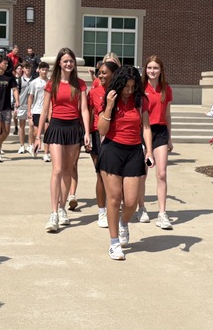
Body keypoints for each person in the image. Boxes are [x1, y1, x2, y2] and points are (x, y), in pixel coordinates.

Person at [97, 65, 154, 260]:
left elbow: (146, 127)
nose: (129, 91)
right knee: (114, 198)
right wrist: (109, 106)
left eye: (132, 87)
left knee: (130, 201)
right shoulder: (109, 97)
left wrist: (149, 151)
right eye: (126, 87)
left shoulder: (141, 100)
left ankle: (123, 222)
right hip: (112, 150)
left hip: (134, 151)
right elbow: (102, 130)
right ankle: (114, 243)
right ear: (119, 84)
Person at [38, 47, 91, 232]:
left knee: (68, 170)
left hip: (74, 128)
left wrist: (87, 132)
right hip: (56, 127)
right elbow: (45, 110)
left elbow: (84, 109)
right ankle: (53, 213)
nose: (69, 64)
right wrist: (38, 136)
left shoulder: (80, 84)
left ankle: (62, 208)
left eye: (71, 61)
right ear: (59, 63)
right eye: (65, 61)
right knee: (58, 169)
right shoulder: (51, 84)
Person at [140, 55, 174, 230]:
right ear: (145, 70)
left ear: (161, 70)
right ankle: (141, 208)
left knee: (161, 173)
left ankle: (162, 213)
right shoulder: (140, 89)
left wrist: (169, 138)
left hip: (160, 133)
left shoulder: (166, 89)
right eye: (149, 68)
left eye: (155, 68)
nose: (152, 71)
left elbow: (167, 115)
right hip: (143, 132)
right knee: (142, 173)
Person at [89, 58, 119, 228]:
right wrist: (86, 134)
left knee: (115, 174)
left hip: (116, 136)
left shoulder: (120, 91)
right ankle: (102, 211)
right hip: (97, 134)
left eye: (104, 73)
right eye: (99, 73)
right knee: (100, 174)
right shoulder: (94, 92)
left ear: (113, 74)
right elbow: (87, 113)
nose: (100, 75)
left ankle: (113, 206)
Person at [28, 61, 49, 160]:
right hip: (36, 110)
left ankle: (46, 153)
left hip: (47, 110)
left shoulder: (50, 82)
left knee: (47, 132)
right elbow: (30, 97)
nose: (44, 72)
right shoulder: (34, 82)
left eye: (46, 70)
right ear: (39, 70)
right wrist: (29, 110)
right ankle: (34, 148)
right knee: (37, 133)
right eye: (43, 70)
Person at [16, 61, 35, 154]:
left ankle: (30, 144)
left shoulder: (34, 80)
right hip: (21, 105)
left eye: (29, 68)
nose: (28, 70)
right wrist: (15, 105)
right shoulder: (18, 80)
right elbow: (15, 93)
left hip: (32, 106)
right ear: (23, 69)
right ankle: (22, 145)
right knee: (21, 126)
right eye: (26, 68)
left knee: (31, 125)